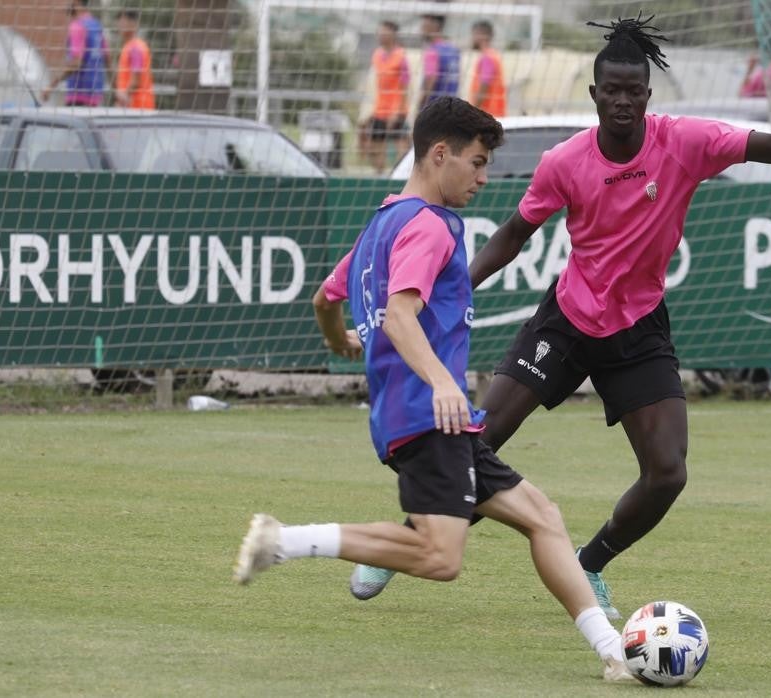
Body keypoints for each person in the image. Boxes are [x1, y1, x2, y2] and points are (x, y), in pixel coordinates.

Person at [347, 14, 771, 619]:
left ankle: (591, 563)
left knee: (668, 473)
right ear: (594, 94)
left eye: (633, 91)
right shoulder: (565, 161)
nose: (621, 100)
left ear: (647, 95)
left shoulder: (686, 141)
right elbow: (513, 235)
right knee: (478, 439)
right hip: (566, 319)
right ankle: (405, 539)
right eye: (610, 90)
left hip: (638, 328)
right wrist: (443, 290)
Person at [233, 96, 633, 683]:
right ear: (438, 153)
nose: (483, 177)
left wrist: (339, 340)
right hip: (428, 415)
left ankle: (613, 652)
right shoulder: (429, 225)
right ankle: (285, 541)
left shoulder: (382, 224)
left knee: (543, 518)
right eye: (475, 162)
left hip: (433, 418)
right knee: (440, 557)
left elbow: (325, 297)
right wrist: (443, 382)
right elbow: (399, 314)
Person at [360, 20, 410, 173]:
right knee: (374, 145)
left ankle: (399, 175)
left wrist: (396, 112)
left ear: (393, 35)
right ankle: (380, 174)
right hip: (380, 109)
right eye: (379, 32)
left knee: (401, 145)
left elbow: (404, 87)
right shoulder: (377, 55)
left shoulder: (401, 57)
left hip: (397, 110)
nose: (380, 35)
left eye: (384, 32)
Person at [42, 0, 109, 106]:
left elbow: (76, 63)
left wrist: (51, 86)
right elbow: (106, 57)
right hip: (95, 95)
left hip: (78, 95)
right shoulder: (97, 25)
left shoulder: (77, 26)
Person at [417, 13, 459, 110]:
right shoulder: (453, 49)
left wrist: (421, 104)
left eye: (424, 24)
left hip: (435, 110)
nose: (421, 28)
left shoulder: (432, 51)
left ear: (435, 25)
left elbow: (431, 79)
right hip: (453, 108)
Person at [114, 10, 154, 110]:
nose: (121, 25)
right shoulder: (132, 46)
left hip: (136, 107)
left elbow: (136, 80)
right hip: (136, 106)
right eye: (120, 21)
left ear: (134, 24)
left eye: (124, 22)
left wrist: (122, 98)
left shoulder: (135, 47)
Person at [469, 19, 506, 117]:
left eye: (473, 35)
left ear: (481, 34)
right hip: (494, 114)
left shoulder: (487, 58)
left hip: (488, 115)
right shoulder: (493, 55)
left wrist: (470, 114)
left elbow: (483, 89)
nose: (472, 38)